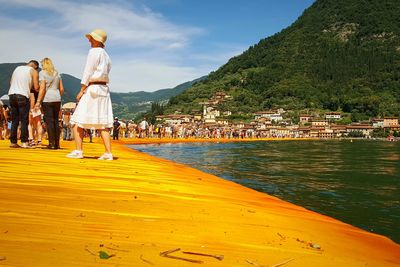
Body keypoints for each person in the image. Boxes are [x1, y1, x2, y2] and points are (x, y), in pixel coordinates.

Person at [67, 29, 114, 160]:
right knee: (102, 123)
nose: (89, 40)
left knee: (77, 120)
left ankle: (78, 150)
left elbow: (88, 71)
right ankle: (108, 153)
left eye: (91, 38)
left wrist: (82, 89)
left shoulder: (94, 52)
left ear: (96, 40)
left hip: (93, 87)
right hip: (103, 88)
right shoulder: (106, 55)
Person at [8, 60, 39, 148]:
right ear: (35, 66)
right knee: (24, 120)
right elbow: (36, 87)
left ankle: (13, 142)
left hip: (11, 94)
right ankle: (24, 142)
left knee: (15, 120)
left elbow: (11, 82)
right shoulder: (33, 71)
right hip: (22, 95)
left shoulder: (17, 68)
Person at [35, 58, 64, 149]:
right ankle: (57, 144)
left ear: (44, 65)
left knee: (49, 122)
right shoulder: (57, 73)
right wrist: (57, 95)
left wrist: (38, 101)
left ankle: (51, 144)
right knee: (56, 121)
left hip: (47, 99)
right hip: (57, 98)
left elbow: (42, 88)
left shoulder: (42, 73)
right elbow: (62, 89)